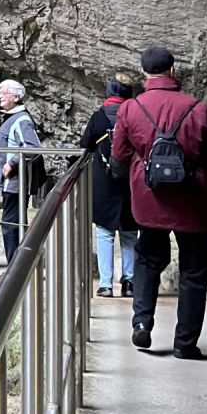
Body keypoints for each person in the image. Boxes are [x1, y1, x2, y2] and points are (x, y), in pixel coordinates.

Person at [111, 46, 207, 358]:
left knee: (148, 260)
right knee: (194, 271)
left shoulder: (131, 108)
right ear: (173, 71)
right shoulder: (198, 109)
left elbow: (119, 155)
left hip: (150, 199)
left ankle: (142, 322)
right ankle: (185, 344)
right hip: (193, 202)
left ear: (143, 73)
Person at [79, 75, 138, 297]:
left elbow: (85, 145)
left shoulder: (99, 117)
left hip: (104, 182)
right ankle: (129, 282)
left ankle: (106, 284)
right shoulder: (136, 115)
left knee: (105, 233)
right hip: (131, 181)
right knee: (129, 234)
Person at [0, 79, 42, 264]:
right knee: (12, 224)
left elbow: (33, 147)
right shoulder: (12, 118)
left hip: (15, 182)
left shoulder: (21, 120)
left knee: (11, 226)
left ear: (15, 97)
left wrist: (12, 163)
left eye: (3, 93)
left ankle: (14, 270)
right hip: (11, 182)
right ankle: (15, 267)